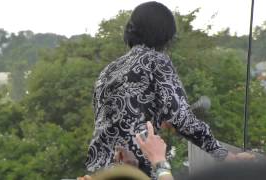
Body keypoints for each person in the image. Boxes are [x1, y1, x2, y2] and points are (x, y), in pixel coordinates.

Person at [85, 1, 250, 179]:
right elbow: (182, 118)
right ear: (165, 33)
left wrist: (157, 118)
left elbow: (117, 119)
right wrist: (224, 155)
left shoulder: (108, 70)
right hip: (136, 169)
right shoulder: (156, 60)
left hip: (101, 171)